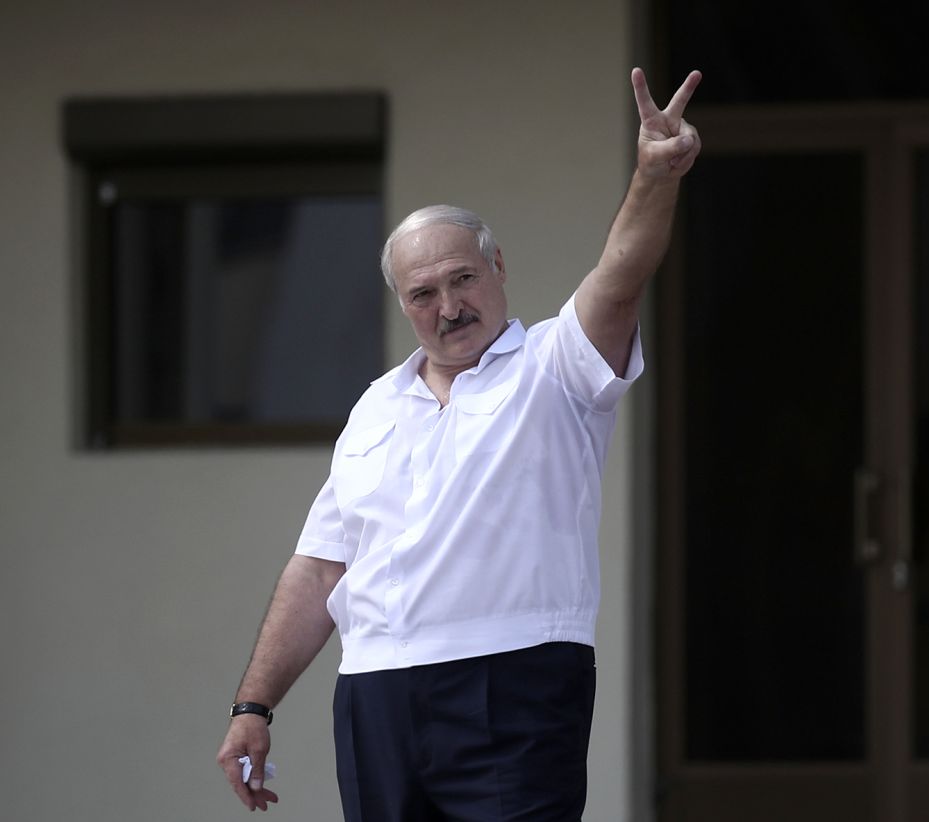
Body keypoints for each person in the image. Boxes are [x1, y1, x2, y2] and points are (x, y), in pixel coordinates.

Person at [216, 65, 702, 821]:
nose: (449, 306)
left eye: (463, 278)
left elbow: (622, 273)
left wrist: (652, 175)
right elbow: (319, 570)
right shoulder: (377, 407)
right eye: (423, 293)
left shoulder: (556, 365)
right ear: (403, 305)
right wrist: (256, 703)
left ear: (498, 268)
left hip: (514, 678)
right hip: (375, 691)